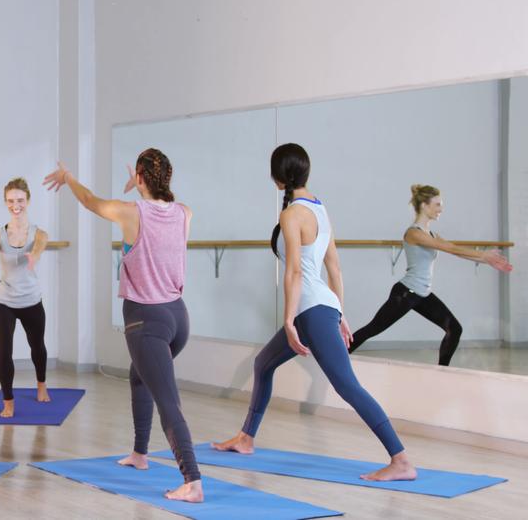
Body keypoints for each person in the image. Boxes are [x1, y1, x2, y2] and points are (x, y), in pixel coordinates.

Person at [213, 143, 417, 483]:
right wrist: (339, 311)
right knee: (263, 364)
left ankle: (401, 460)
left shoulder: (292, 214)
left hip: (309, 310)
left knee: (347, 385)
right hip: (319, 307)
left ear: (278, 176)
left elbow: (294, 272)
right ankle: (246, 438)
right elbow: (334, 268)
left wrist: (290, 320)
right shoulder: (319, 208)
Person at [44, 148, 202, 503]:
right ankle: (140, 454)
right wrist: (143, 185)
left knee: (168, 401)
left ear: (141, 177)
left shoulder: (130, 212)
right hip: (178, 317)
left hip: (147, 322)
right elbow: (162, 218)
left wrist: (69, 178)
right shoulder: (184, 213)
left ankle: (192, 481)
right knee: (138, 377)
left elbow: (89, 201)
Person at [349, 184, 513, 365]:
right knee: (373, 328)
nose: (441, 209)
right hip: (405, 294)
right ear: (424, 206)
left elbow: (457, 252)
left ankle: (443, 371)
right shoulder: (413, 233)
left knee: (454, 329)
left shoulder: (432, 233)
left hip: (422, 294)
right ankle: (336, 354)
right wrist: (483, 254)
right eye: (437, 205)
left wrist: (487, 261)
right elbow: (449, 248)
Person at [0, 177, 50, 417]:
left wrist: (33, 256)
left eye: (20, 200)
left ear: (28, 201)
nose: (16, 205)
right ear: (6, 203)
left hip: (31, 299)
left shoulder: (39, 233)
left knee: (37, 346)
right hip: (4, 300)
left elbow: (38, 247)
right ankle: (8, 401)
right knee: (4, 350)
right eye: (11, 201)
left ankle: (41, 385)